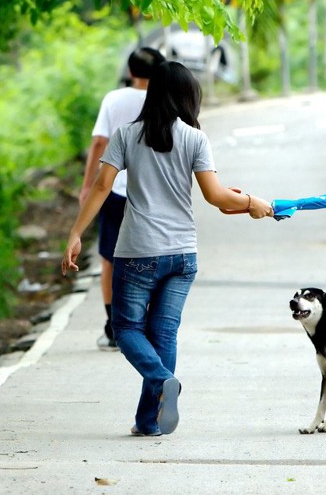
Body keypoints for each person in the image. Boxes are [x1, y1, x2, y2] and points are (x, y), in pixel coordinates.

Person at [62, 61, 273, 436]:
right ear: (188, 96)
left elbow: (100, 187)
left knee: (126, 328)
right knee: (164, 335)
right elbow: (216, 196)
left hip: (138, 250)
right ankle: (149, 422)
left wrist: (76, 232)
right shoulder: (195, 138)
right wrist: (253, 202)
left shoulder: (126, 135)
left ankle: (160, 381)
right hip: (182, 254)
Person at [80, 46, 166, 351]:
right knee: (151, 257)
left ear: (130, 72)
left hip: (115, 188)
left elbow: (99, 142)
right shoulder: (164, 101)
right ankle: (147, 325)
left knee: (110, 258)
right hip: (154, 191)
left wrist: (87, 185)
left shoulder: (114, 99)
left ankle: (113, 326)